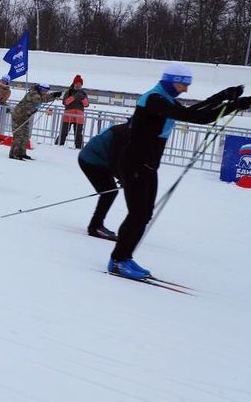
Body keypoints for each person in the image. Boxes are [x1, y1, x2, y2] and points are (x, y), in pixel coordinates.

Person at [108, 65, 248, 280]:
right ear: (171, 80)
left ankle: (124, 257)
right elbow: (194, 117)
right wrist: (233, 105)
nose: (185, 89)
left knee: (144, 215)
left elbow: (193, 112)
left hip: (147, 166)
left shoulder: (164, 99)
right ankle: (118, 260)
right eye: (183, 84)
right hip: (134, 163)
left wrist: (222, 97)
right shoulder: (154, 99)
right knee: (137, 214)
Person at [78, 122, 130, 241]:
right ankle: (95, 227)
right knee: (109, 192)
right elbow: (115, 159)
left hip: (99, 159)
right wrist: (122, 177)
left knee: (109, 192)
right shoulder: (124, 134)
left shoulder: (130, 130)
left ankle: (96, 225)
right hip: (91, 159)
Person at [9, 83, 61, 160]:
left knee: (25, 135)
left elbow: (44, 98)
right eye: (44, 90)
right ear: (40, 89)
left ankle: (22, 153)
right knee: (19, 135)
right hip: (19, 115)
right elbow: (41, 99)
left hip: (25, 116)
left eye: (46, 91)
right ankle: (14, 153)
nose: (45, 92)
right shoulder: (33, 93)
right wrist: (53, 96)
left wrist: (53, 96)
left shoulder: (38, 94)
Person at [57, 75, 89, 148]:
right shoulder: (69, 92)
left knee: (78, 134)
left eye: (80, 84)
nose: (78, 85)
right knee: (64, 132)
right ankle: (58, 145)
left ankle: (78, 148)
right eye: (77, 83)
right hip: (68, 116)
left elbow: (86, 104)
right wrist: (74, 97)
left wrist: (82, 98)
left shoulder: (83, 93)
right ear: (74, 83)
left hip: (79, 117)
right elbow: (65, 102)